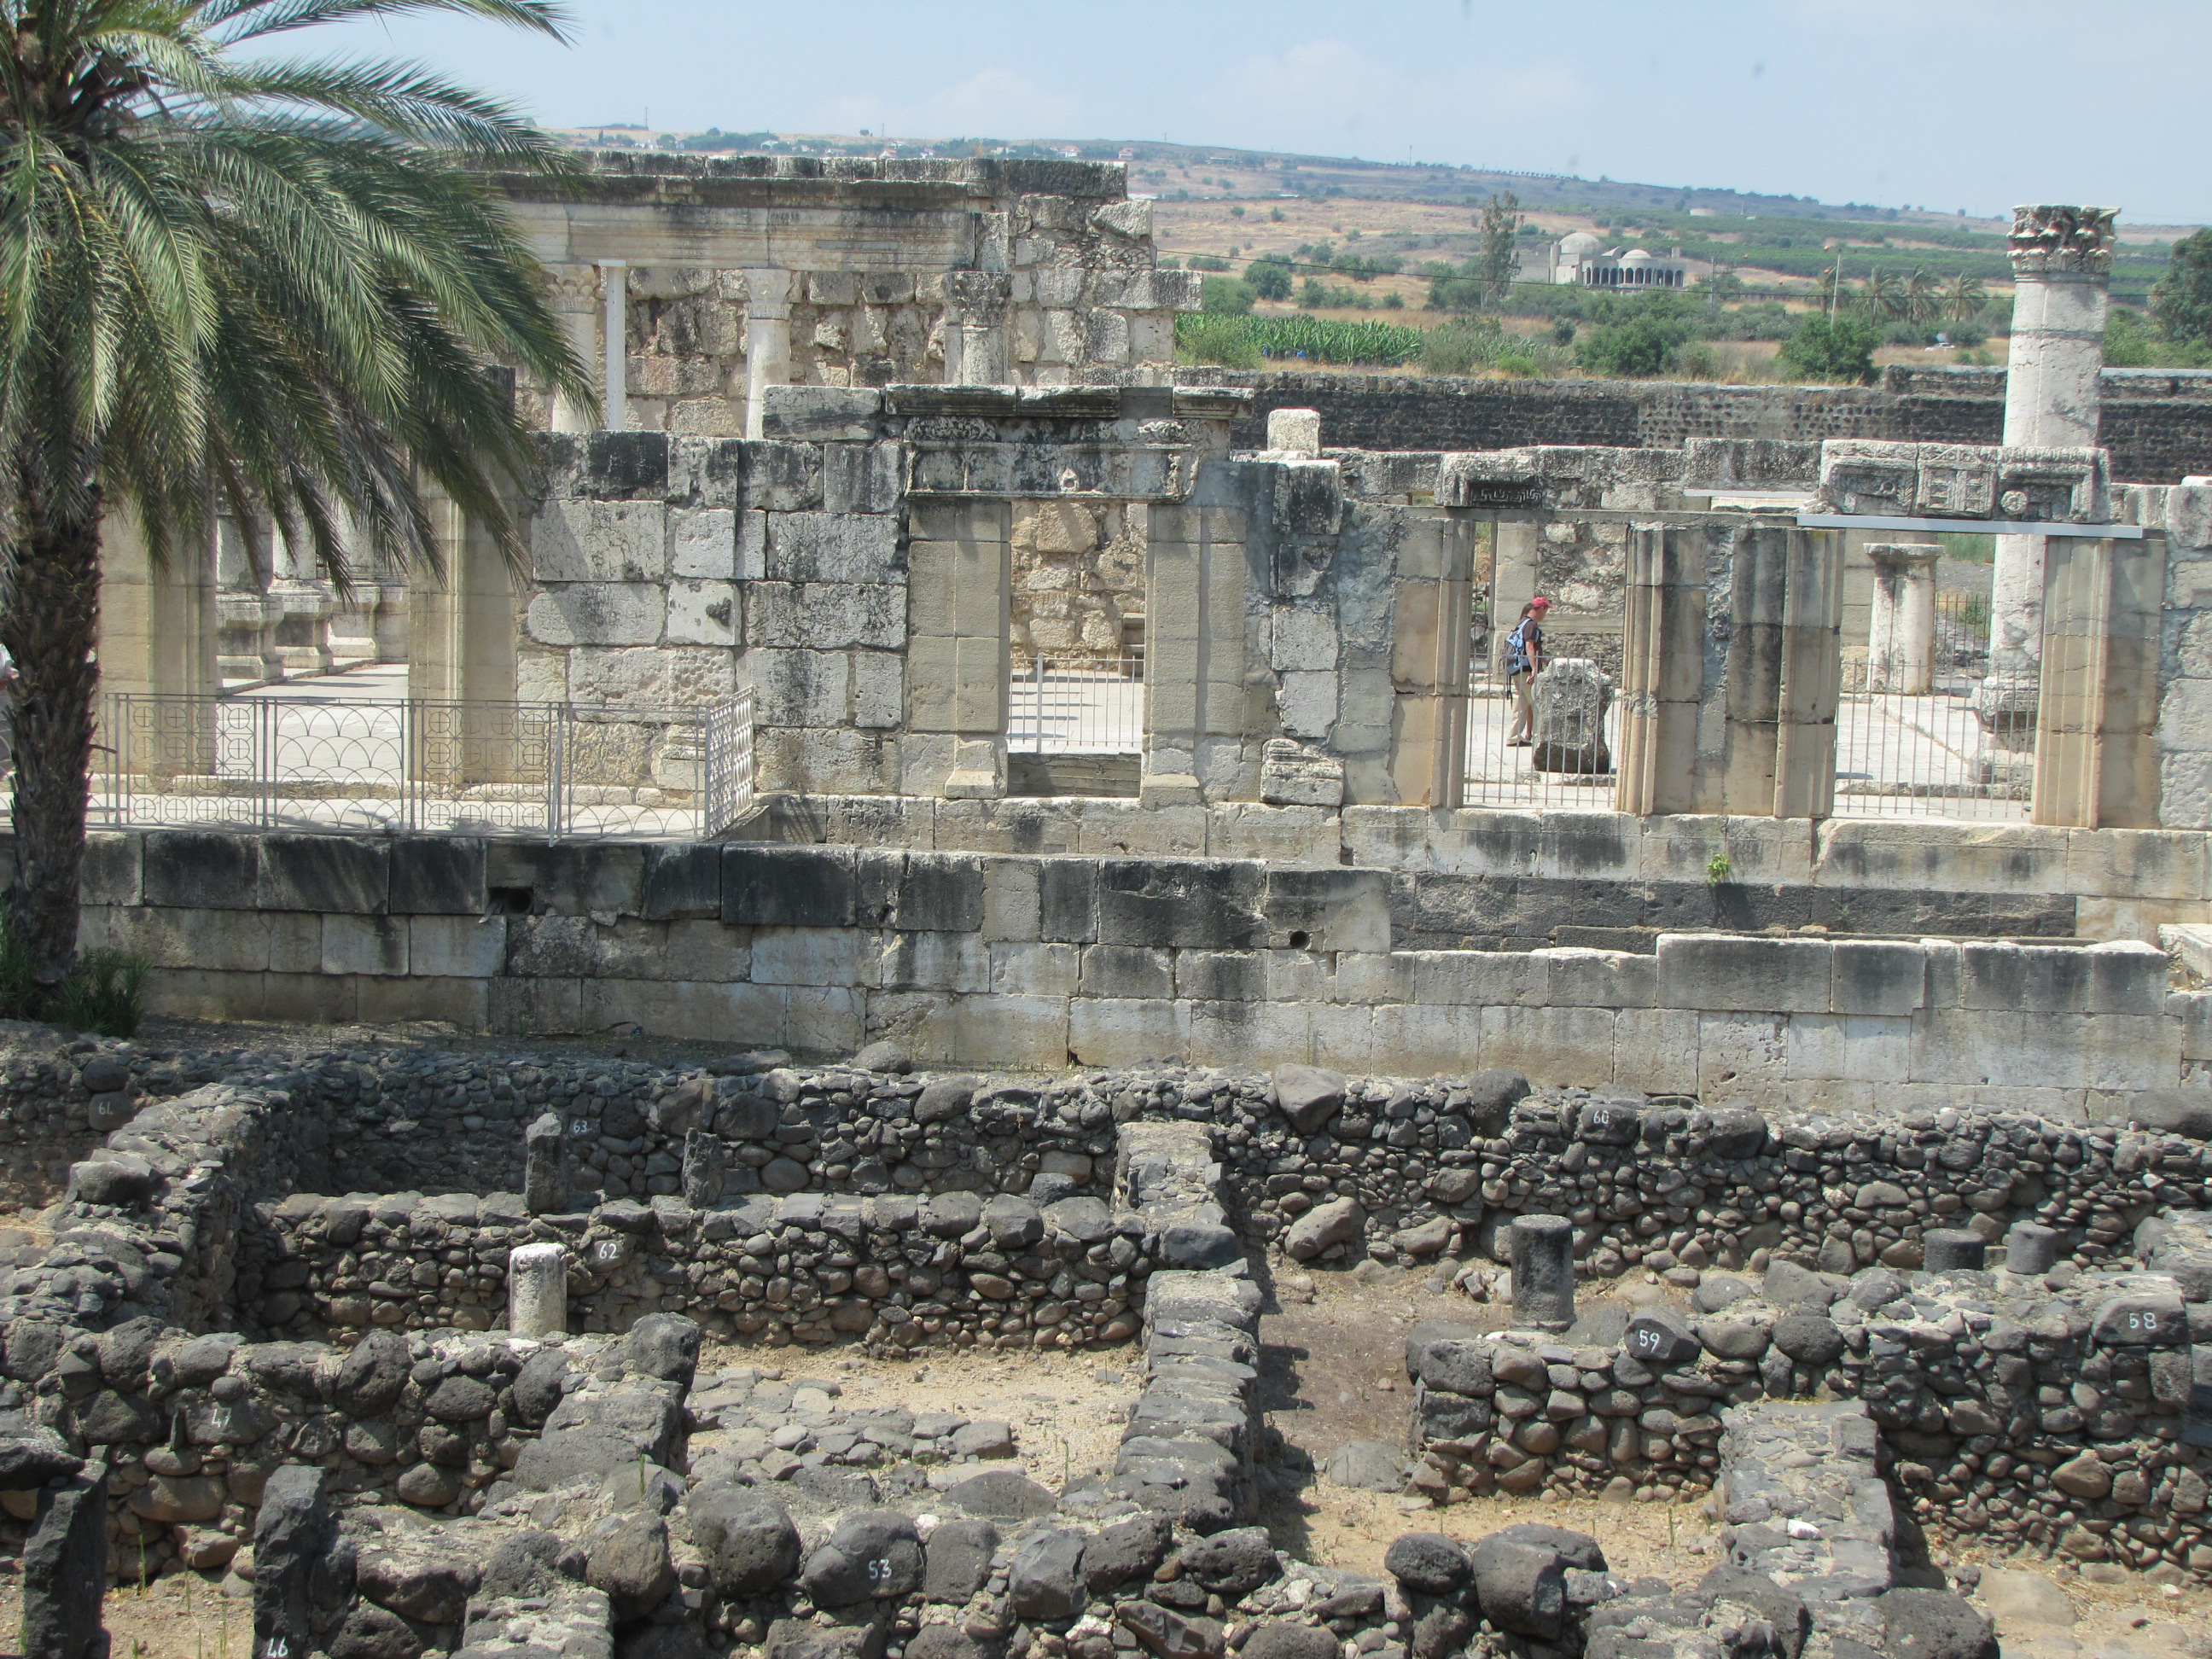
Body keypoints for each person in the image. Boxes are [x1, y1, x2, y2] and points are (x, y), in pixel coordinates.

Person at [1505, 597, 1551, 747]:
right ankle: (1540, 737)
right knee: (1537, 702)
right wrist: (1535, 669)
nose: (1546, 613)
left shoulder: (1522, 622)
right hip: (1526, 670)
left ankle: (1513, 737)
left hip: (1516, 669)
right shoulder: (1531, 625)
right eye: (1546, 609)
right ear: (1539, 609)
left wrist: (1544, 660)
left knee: (1521, 704)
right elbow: (1529, 647)